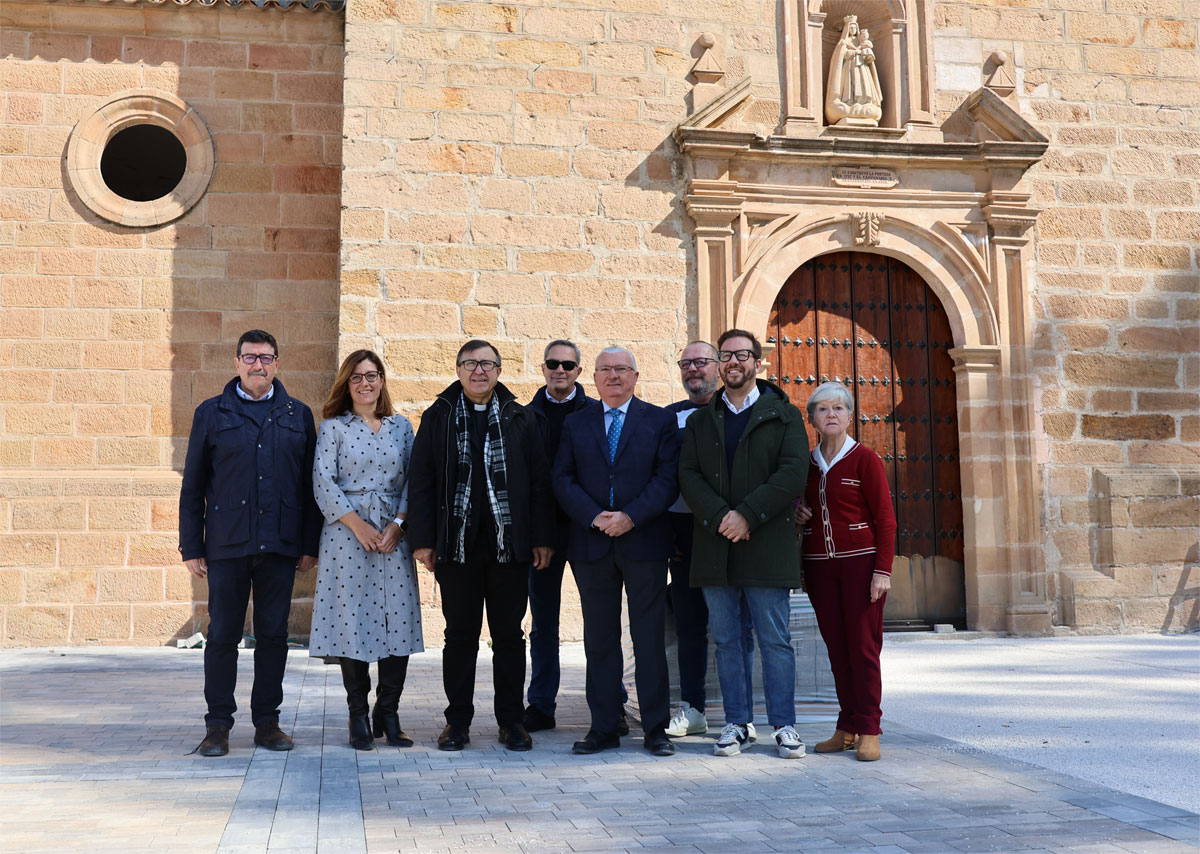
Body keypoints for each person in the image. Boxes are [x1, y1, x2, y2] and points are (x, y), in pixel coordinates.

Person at [179, 329, 321, 757]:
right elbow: (193, 486)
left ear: (277, 363)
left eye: (265, 357)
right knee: (222, 635)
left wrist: (309, 544)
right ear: (236, 363)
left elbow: (309, 486)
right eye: (249, 357)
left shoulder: (298, 415)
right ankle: (218, 726)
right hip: (227, 545)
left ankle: (268, 723)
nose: (257, 364)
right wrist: (191, 546)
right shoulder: (211, 413)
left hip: (280, 545)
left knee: (274, 637)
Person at [408, 340, 554, 752]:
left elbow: (539, 483)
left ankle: (512, 721)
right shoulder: (437, 416)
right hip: (456, 547)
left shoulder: (521, 417)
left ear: (498, 371)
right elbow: (421, 480)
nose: (478, 371)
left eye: (487, 364)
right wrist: (422, 541)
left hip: (509, 546)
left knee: (509, 635)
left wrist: (542, 538)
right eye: (470, 364)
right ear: (458, 370)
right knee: (460, 637)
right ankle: (457, 723)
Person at [678, 329, 810, 759]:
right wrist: (722, 518)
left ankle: (784, 726)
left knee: (775, 640)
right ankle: (736, 723)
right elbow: (689, 476)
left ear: (757, 362)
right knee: (728, 639)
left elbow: (792, 473)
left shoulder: (784, 415)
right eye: (726, 355)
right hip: (717, 544)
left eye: (742, 355)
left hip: (765, 544)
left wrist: (747, 515)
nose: (734, 362)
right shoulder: (700, 421)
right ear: (718, 364)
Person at [553, 346, 679, 757]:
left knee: (647, 638)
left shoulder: (659, 421)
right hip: (591, 544)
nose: (613, 376)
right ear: (593, 377)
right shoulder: (576, 423)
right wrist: (594, 516)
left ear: (635, 376)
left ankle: (656, 728)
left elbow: (666, 479)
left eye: (621, 369)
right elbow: (563, 478)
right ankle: (604, 726)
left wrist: (630, 516)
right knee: (600, 639)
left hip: (643, 542)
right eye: (605, 370)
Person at [310, 350, 423, 751]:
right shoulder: (333, 428)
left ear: (382, 381)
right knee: (351, 620)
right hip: (346, 534)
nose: (365, 383)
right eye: (357, 376)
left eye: (372, 375)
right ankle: (357, 714)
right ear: (347, 382)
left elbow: (415, 478)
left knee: (399, 618)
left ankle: (387, 712)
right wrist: (358, 525)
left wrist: (398, 523)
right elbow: (322, 481)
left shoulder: (401, 427)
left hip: (394, 533)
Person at [794, 381, 896, 762]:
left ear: (850, 416)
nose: (831, 414)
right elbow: (802, 510)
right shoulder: (807, 464)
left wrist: (881, 572)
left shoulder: (864, 459)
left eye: (838, 408)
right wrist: (798, 513)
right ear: (813, 420)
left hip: (861, 567)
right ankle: (847, 726)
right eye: (822, 409)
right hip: (820, 569)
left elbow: (885, 521)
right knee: (837, 651)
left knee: (863, 649)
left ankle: (870, 727)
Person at [663, 341, 756, 741]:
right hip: (684, 532)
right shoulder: (666, 418)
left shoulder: (735, 412)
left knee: (737, 625)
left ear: (718, 367)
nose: (693, 370)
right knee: (689, 623)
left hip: (732, 528)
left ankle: (743, 715)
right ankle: (693, 708)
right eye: (686, 363)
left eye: (701, 362)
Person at [522, 340, 593, 734]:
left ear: (579, 371)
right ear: (544, 368)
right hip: (542, 538)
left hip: (587, 533)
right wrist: (538, 534)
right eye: (553, 363)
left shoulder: (596, 413)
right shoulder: (525, 416)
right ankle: (541, 705)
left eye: (568, 364)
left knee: (598, 622)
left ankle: (609, 703)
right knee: (543, 623)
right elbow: (527, 482)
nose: (560, 370)